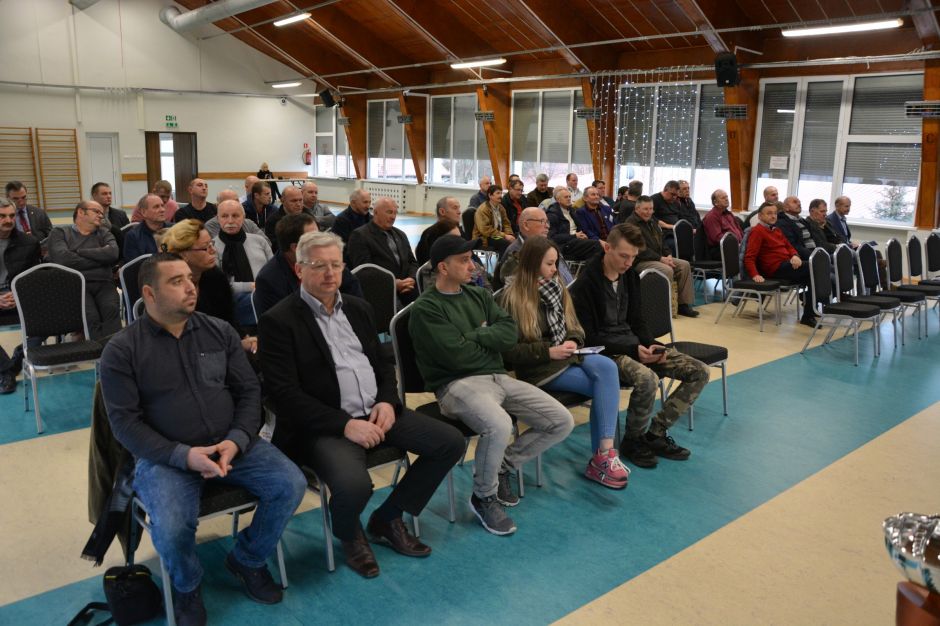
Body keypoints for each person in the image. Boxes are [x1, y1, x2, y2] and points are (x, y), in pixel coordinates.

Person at [100, 253, 305, 625]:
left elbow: (248, 392)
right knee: (172, 526)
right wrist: (184, 456)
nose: (190, 287)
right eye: (176, 281)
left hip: (232, 445)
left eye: (190, 279)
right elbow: (125, 425)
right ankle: (187, 584)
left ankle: (247, 559)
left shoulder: (219, 331)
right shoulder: (122, 350)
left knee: (291, 484)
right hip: (166, 458)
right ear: (149, 293)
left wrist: (237, 440)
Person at [258, 231, 463, 578]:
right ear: (299, 270)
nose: (330, 273)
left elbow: (382, 365)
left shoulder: (358, 308)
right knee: (354, 486)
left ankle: (387, 518)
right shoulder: (279, 320)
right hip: (324, 426)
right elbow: (284, 395)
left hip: (377, 412)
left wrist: (387, 401)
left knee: (450, 443)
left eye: (336, 265)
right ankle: (349, 534)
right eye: (319, 265)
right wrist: (345, 424)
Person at [409, 235, 575, 536]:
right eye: (464, 260)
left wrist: (474, 336)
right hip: (456, 384)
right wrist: (487, 339)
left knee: (560, 420)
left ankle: (502, 466)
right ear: (443, 268)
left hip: (498, 378)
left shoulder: (479, 296)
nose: (472, 266)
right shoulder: (426, 308)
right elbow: (455, 356)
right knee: (499, 424)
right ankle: (484, 495)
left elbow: (508, 334)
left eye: (472, 258)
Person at [569, 223, 709, 469]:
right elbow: (589, 337)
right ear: (607, 248)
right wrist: (634, 349)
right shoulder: (585, 285)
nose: (629, 262)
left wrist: (651, 344)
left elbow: (638, 320)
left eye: (633, 257)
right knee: (647, 379)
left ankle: (655, 434)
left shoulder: (630, 276)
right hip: (606, 353)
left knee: (700, 371)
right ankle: (633, 441)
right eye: (624, 256)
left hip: (633, 344)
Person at [498, 236, 629, 489]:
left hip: (568, 356)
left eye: (556, 263)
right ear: (532, 264)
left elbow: (575, 325)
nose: (555, 269)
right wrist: (548, 351)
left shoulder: (557, 287)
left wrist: (572, 340)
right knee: (605, 388)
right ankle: (603, 458)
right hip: (539, 367)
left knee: (608, 367)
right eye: (549, 264)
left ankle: (603, 456)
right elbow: (508, 352)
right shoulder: (511, 298)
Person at [161, 219, 257, 354]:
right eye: (206, 247)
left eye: (212, 244)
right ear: (184, 254)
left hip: (220, 345)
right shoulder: (168, 290)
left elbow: (228, 318)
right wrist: (235, 346)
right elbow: (183, 340)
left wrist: (243, 339)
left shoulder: (215, 277)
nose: (213, 251)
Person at [253, 213, 361, 318]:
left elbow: (357, 302)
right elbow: (278, 323)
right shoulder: (269, 280)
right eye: (314, 240)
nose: (320, 242)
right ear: (296, 248)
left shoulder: (329, 262)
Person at [46, 200, 121, 339]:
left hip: (104, 283)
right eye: (96, 212)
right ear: (81, 212)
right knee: (91, 316)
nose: (101, 215)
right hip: (75, 284)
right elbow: (63, 260)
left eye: (102, 213)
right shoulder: (60, 233)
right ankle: (98, 350)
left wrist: (79, 251)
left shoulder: (104, 232)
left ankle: (114, 350)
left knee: (111, 309)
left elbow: (112, 254)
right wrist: (100, 259)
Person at [744, 202, 818, 327]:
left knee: (813, 273)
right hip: (774, 268)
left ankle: (809, 312)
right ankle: (810, 312)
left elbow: (789, 247)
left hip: (786, 264)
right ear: (760, 216)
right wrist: (755, 274)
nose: (773, 216)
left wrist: (795, 256)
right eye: (769, 213)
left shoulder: (776, 230)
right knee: (813, 268)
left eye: (775, 213)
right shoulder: (757, 231)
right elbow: (749, 257)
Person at [625, 196, 699, 317]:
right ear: (637, 209)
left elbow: (662, 240)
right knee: (667, 270)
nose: (649, 212)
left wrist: (668, 255)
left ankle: (683, 305)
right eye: (645, 209)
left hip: (659, 258)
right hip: (640, 261)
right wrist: (661, 259)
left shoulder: (652, 221)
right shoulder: (631, 223)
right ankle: (662, 307)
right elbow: (640, 249)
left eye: (651, 209)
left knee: (684, 265)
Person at [0, 198, 42, 394]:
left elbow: (34, 277)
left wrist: (19, 294)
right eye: (2, 216)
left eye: (11, 215)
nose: (8, 220)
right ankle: (6, 370)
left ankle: (15, 360)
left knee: (49, 319)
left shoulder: (29, 242)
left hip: (20, 296)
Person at [347, 197, 419, 305]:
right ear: (375, 212)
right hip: (379, 293)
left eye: (395, 213)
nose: (393, 217)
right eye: (389, 212)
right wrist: (393, 283)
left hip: (407, 288)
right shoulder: (360, 236)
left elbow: (412, 261)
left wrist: (411, 279)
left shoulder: (401, 234)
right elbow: (364, 271)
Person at [213, 200, 272, 326]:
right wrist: (252, 286)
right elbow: (219, 285)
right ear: (218, 219)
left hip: (264, 302)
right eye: (224, 216)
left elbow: (274, 273)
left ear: (244, 217)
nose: (230, 221)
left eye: (235, 216)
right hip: (229, 306)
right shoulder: (212, 247)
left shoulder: (260, 241)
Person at [497, 207, 573, 286]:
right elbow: (522, 290)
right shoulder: (516, 253)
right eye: (542, 221)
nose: (547, 226)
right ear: (526, 225)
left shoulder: (548, 246)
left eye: (547, 222)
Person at [546, 187, 600, 262]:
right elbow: (552, 237)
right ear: (558, 200)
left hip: (576, 241)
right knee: (597, 245)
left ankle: (590, 268)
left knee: (595, 251)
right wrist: (574, 236)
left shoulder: (572, 211)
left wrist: (582, 234)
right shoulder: (552, 214)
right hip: (564, 245)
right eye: (566, 197)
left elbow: (579, 228)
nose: (569, 199)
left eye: (569, 197)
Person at [415, 196, 465, 265]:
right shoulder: (430, 234)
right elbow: (425, 261)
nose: (459, 212)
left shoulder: (460, 231)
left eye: (459, 208)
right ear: (442, 211)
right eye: (455, 208)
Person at [123, 194, 171, 262]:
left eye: (162, 206)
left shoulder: (175, 229)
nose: (162, 210)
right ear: (143, 212)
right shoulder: (133, 236)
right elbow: (133, 266)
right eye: (156, 207)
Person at [472, 184, 515, 255]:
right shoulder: (483, 209)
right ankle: (503, 262)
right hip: (485, 238)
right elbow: (485, 230)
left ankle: (513, 260)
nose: (501, 196)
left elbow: (506, 223)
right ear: (490, 195)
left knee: (516, 239)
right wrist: (504, 236)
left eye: (501, 193)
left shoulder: (501, 207)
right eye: (498, 193)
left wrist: (509, 234)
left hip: (498, 235)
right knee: (504, 243)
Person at [701, 189, 742, 259]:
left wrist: (743, 243)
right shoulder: (712, 216)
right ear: (715, 202)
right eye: (723, 198)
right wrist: (735, 244)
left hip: (735, 245)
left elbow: (739, 230)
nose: (726, 199)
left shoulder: (729, 214)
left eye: (727, 197)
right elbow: (717, 238)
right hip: (720, 249)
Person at [264, 185, 304, 250]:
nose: (298, 204)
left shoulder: (308, 215)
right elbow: (274, 246)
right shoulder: (272, 221)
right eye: (294, 201)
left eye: (300, 200)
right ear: (283, 201)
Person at [776, 196, 815, 260]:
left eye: (799, 202)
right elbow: (793, 246)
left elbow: (814, 239)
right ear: (786, 208)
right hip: (800, 258)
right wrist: (813, 255)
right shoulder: (782, 223)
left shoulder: (803, 221)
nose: (799, 204)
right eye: (795, 202)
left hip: (814, 254)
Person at [650, 180, 682, 254]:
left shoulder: (676, 203)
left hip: (676, 231)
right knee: (674, 245)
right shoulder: (654, 200)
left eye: (676, 195)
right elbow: (650, 217)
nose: (674, 197)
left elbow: (680, 217)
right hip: (663, 233)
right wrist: (667, 225)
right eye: (672, 194)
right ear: (665, 190)